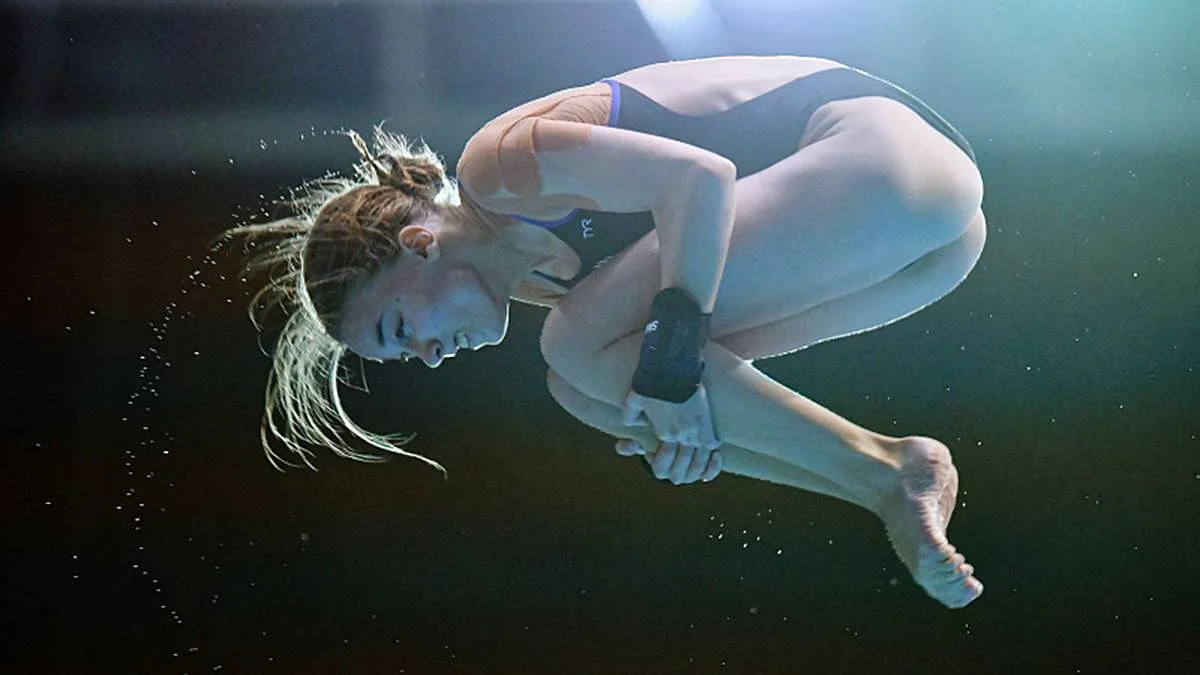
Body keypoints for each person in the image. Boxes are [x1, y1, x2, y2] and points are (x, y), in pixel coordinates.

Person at [229, 55, 987, 609]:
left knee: (580, 353)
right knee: (590, 392)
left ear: (420, 244)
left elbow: (701, 179)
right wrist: (679, 421)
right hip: (930, 250)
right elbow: (705, 347)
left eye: (402, 330)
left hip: (883, 154)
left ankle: (893, 473)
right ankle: (883, 478)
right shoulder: (543, 283)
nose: (428, 358)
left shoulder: (500, 170)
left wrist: (669, 372)